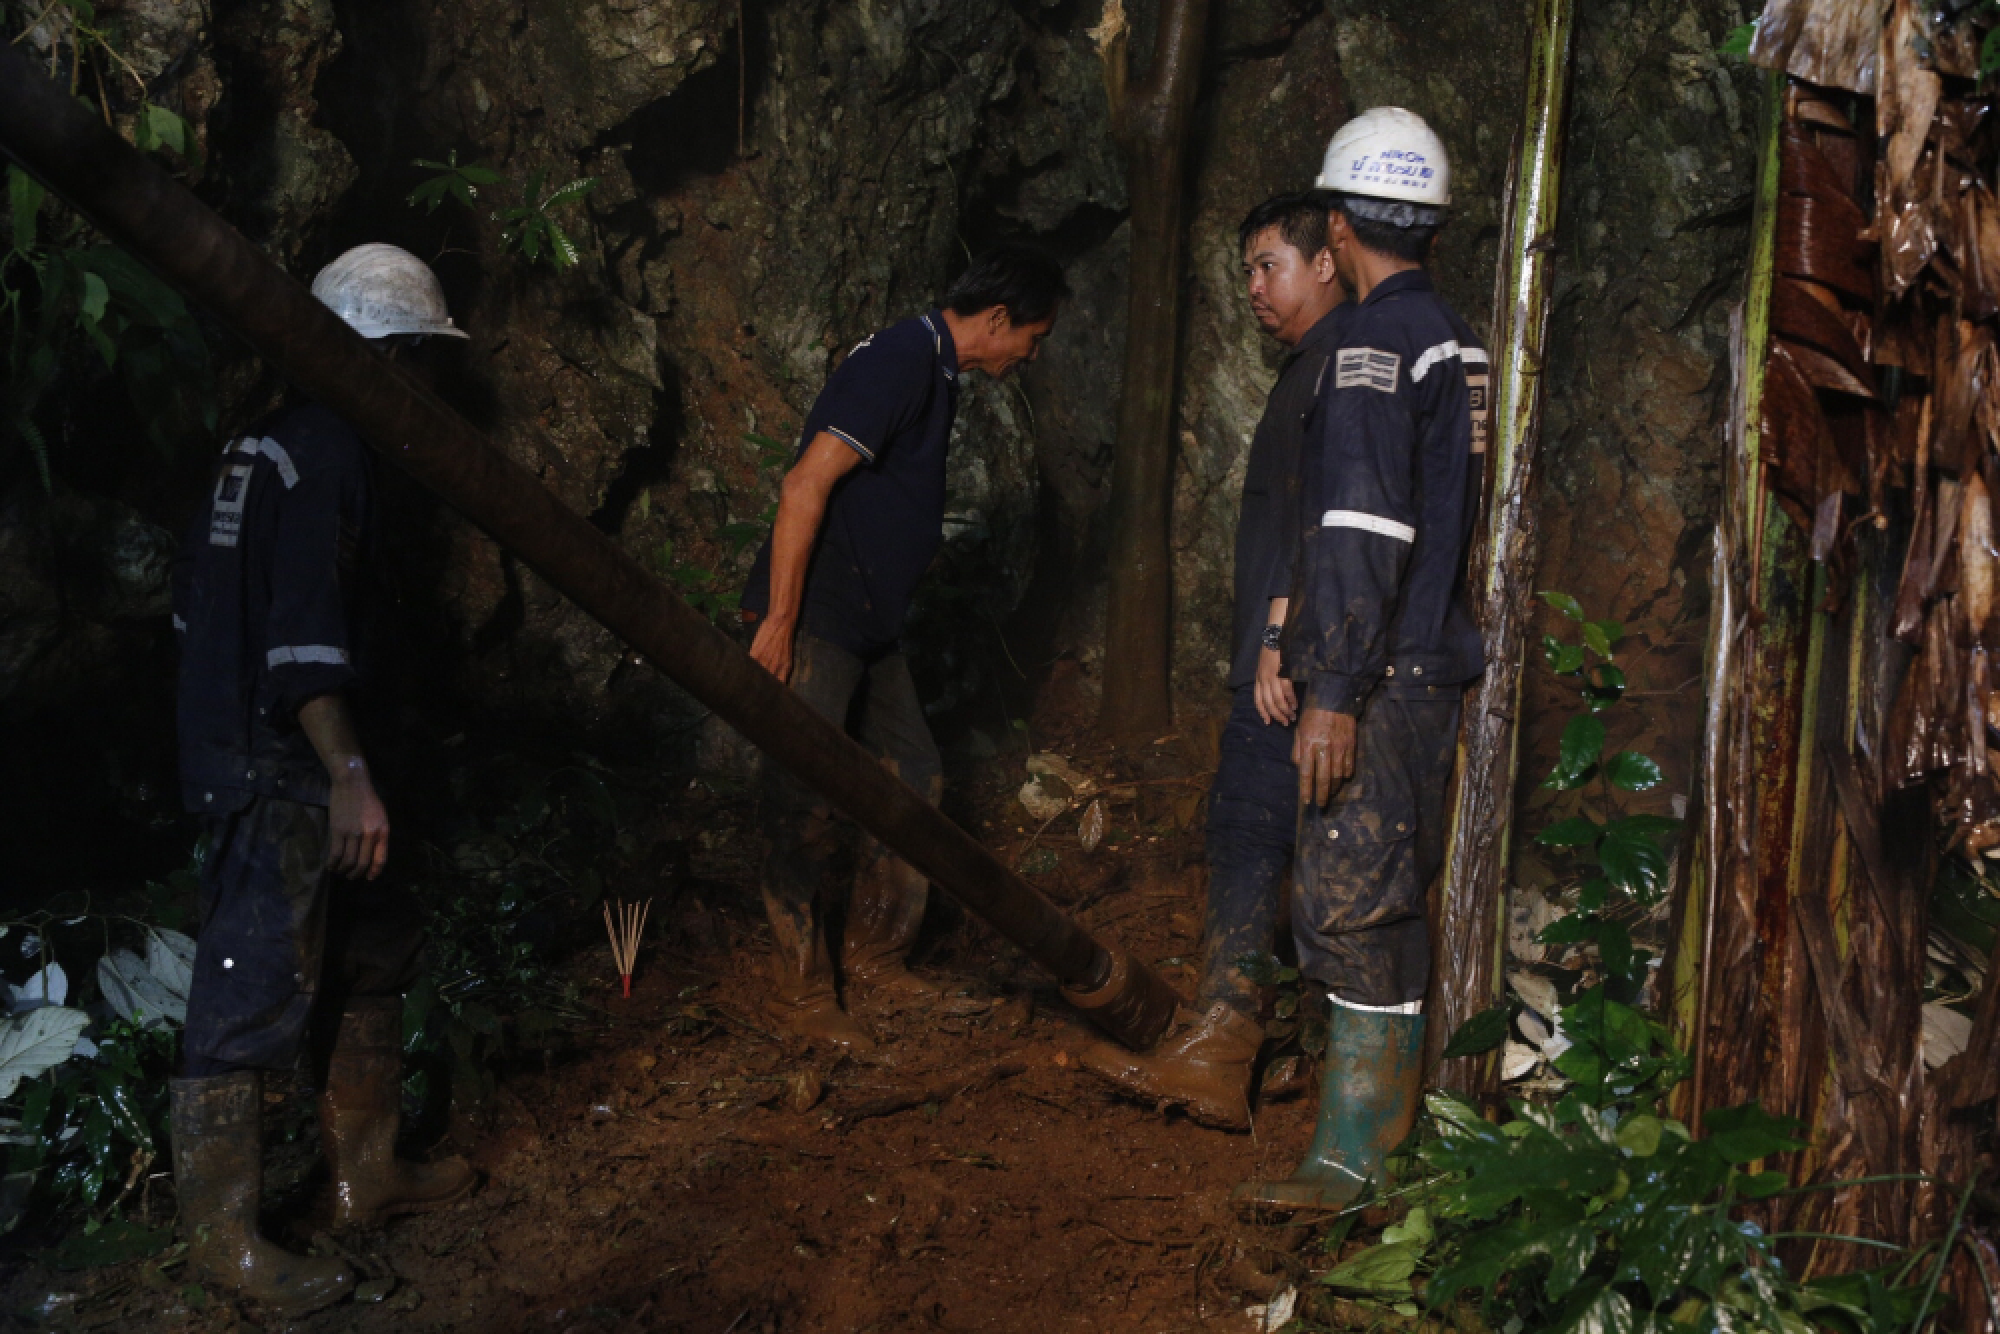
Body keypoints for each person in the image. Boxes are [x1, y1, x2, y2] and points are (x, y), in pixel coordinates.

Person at [170, 244, 478, 1311]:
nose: (424, 388)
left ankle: (368, 1171)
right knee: (255, 985)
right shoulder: (330, 451)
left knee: (369, 947)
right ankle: (226, 1240)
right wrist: (348, 770)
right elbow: (301, 636)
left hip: (261, 745)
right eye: (415, 362)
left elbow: (198, 604)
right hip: (282, 764)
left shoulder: (259, 440)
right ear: (377, 356)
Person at [1236, 107, 1490, 1211]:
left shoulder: (1367, 346)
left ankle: (1353, 1160)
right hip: (1427, 658)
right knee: (1379, 892)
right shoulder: (1453, 335)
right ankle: (1372, 1147)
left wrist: (1330, 690)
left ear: (1337, 232)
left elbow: (1361, 525)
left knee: (1350, 900)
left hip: (1382, 675)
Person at [739, 243, 1068, 1049]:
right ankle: (801, 991)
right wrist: (780, 622)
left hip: (870, 623)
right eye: (1034, 335)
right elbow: (803, 485)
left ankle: (880, 959)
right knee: (806, 795)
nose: (1032, 352)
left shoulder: (933, 368)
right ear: (998, 320)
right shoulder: (896, 359)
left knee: (912, 775)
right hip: (820, 615)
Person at [1075, 194, 1349, 1128]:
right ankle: (1270, 1047)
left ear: (1327, 262)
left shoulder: (1335, 373)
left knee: (1246, 829)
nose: (1253, 288)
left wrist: (1280, 640)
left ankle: (1222, 1048)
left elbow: (1331, 524)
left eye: (1268, 265)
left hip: (1294, 665)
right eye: (1245, 271)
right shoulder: (1311, 370)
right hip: (1298, 655)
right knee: (1290, 843)